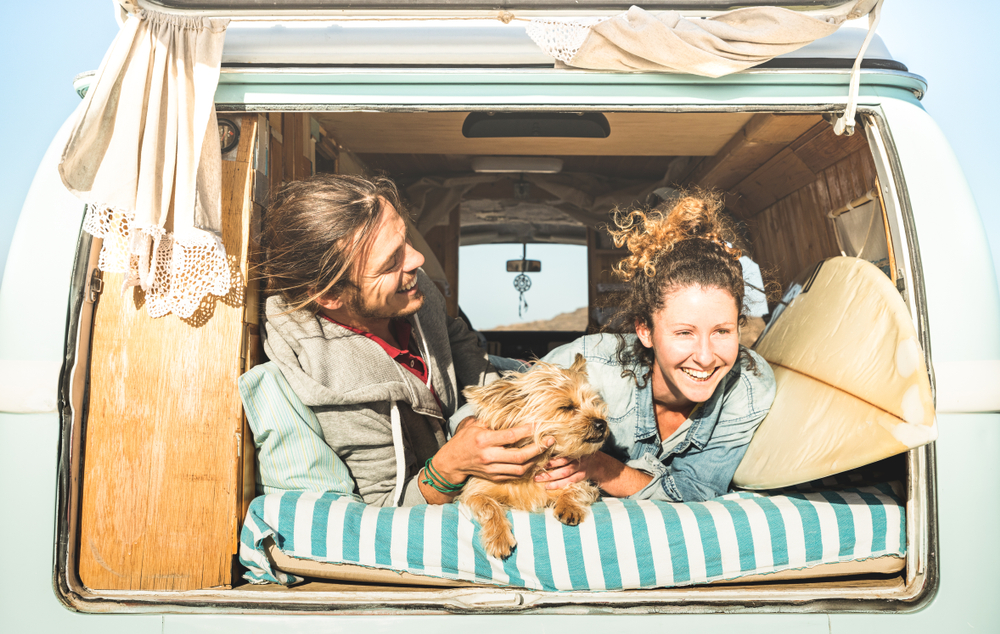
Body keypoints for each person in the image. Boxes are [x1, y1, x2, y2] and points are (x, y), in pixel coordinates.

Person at [460, 192, 776, 502]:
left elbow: (695, 492)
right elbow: (474, 419)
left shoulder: (748, 386)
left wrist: (598, 466)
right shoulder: (590, 365)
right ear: (645, 330)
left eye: (722, 331)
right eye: (684, 333)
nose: (706, 357)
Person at [259, 174, 550, 507]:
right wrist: (448, 467)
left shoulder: (415, 291)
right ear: (330, 295)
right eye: (390, 262)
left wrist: (477, 414)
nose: (417, 260)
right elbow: (385, 509)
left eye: (406, 242)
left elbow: (453, 335)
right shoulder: (336, 386)